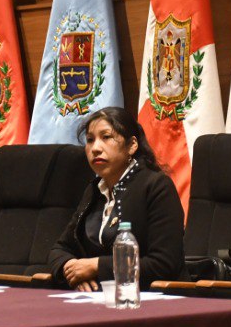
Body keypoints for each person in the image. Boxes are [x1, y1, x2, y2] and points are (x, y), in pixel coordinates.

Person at [48, 106, 184, 290]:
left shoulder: (157, 186)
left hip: (151, 298)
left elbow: (164, 264)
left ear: (132, 145)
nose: (95, 148)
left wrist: (96, 267)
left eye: (106, 137)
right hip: (98, 297)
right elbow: (59, 249)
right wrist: (73, 271)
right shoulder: (94, 190)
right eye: (90, 140)